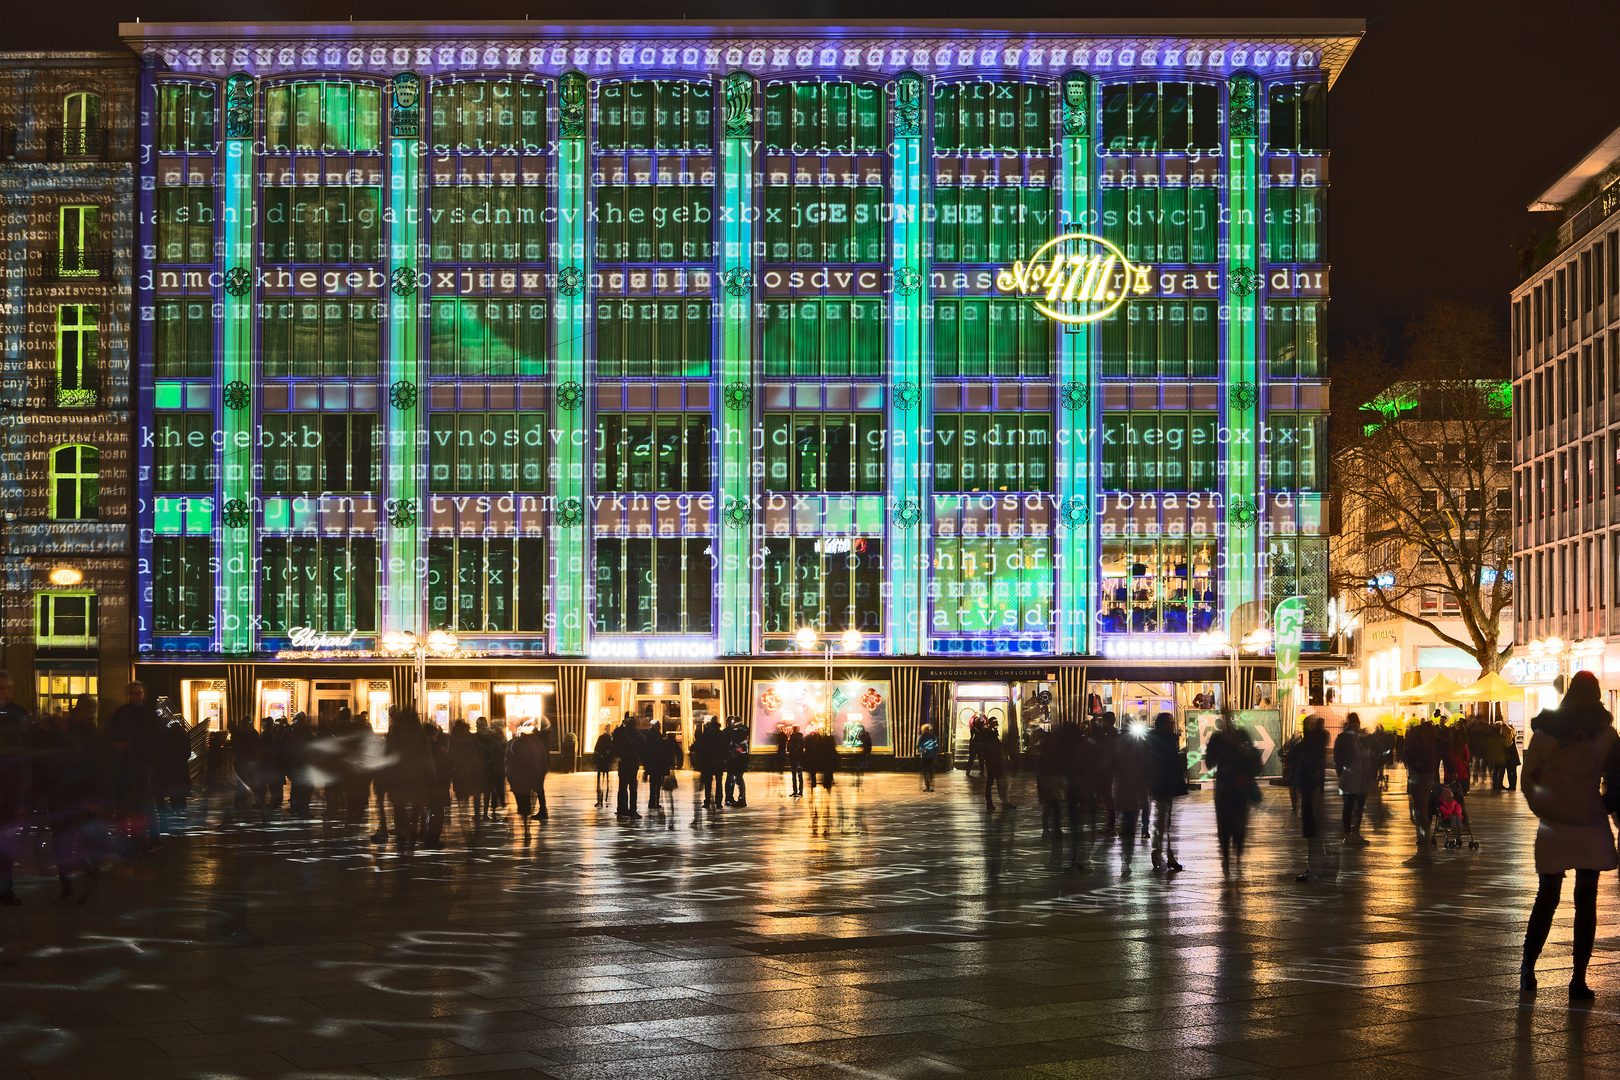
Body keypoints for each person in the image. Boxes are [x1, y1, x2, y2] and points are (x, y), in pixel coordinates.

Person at [1520, 671, 1620, 999]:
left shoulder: (1547, 729)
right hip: (1589, 826)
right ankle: (1578, 978)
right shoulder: (1607, 734)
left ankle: (1528, 968)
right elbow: (1617, 785)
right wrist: (1599, 807)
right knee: (1586, 902)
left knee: (1546, 897)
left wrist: (1544, 808)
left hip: (1553, 826)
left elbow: (1528, 775)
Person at [36, 696, 109, 904]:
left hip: (75, 797)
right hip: (66, 797)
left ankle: (77, 889)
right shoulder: (73, 731)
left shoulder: (86, 734)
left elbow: (98, 769)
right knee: (65, 845)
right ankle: (72, 889)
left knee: (72, 845)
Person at [104, 681, 162, 854]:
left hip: (140, 763)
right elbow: (110, 738)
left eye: (139, 693)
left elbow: (156, 739)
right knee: (131, 804)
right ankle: (136, 840)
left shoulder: (146, 714)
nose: (137, 696)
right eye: (134, 693)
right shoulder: (124, 714)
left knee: (142, 804)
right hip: (128, 763)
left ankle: (142, 839)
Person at [1204, 712, 1259, 878]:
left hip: (1228, 788)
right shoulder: (1231, 737)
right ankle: (1232, 857)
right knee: (1234, 824)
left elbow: (1209, 762)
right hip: (1233, 789)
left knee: (1228, 825)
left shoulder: (1220, 738)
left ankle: (1230, 858)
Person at [1147, 712, 1188, 873]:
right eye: (1168, 722)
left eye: (1172, 722)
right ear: (1161, 724)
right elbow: (1161, 764)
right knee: (1162, 822)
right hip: (1162, 785)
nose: (1172, 725)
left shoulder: (1170, 739)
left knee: (1164, 822)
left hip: (1167, 786)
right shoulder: (1160, 740)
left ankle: (1162, 854)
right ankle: (1161, 854)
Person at [1402, 715, 1442, 866]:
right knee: (1417, 815)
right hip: (1419, 778)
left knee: (1420, 814)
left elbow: (1418, 762)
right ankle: (1423, 848)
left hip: (1422, 778)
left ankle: (1424, 851)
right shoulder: (1423, 746)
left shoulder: (1427, 747)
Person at [1334, 712, 1372, 847]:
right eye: (1355, 723)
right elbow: (1354, 754)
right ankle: (1350, 833)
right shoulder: (1347, 737)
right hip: (1351, 776)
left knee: (1354, 805)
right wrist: (1367, 753)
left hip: (1356, 776)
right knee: (1351, 805)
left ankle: (1351, 832)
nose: (1357, 726)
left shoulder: (1355, 737)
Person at [506, 719, 550, 832]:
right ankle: (529, 824)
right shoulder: (537, 742)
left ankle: (526, 827)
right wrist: (542, 772)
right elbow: (543, 758)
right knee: (534, 796)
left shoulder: (517, 743)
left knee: (525, 803)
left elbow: (510, 760)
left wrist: (512, 776)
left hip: (522, 778)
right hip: (533, 774)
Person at [449, 718, 486, 827]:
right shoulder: (473, 737)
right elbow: (480, 752)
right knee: (476, 793)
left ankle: (463, 818)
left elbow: (451, 755)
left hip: (461, 769)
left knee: (462, 794)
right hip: (474, 768)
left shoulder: (455, 740)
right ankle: (477, 814)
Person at [975, 718, 1011, 811]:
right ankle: (990, 802)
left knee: (999, 782)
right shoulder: (988, 733)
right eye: (995, 723)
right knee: (992, 782)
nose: (997, 724)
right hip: (992, 761)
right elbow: (992, 743)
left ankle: (1003, 801)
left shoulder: (991, 733)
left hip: (996, 761)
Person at [612, 714, 642, 819]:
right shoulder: (636, 735)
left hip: (625, 762)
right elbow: (642, 749)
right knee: (632, 787)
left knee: (623, 786)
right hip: (630, 763)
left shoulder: (620, 734)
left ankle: (622, 809)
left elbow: (614, 746)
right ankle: (631, 810)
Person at [642, 723, 670, 815]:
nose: (660, 727)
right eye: (659, 725)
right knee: (656, 784)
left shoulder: (650, 736)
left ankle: (653, 802)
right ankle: (655, 802)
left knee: (653, 784)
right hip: (657, 764)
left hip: (652, 764)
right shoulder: (656, 736)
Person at [723, 716, 749, 807]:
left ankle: (737, 798)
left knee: (735, 778)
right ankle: (738, 798)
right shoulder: (741, 732)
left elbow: (737, 746)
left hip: (736, 759)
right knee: (736, 778)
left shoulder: (737, 732)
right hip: (738, 759)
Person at [592, 728, 614, 808]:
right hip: (606, 762)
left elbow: (596, 749)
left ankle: (600, 800)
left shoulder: (601, 739)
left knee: (599, 781)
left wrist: (597, 758)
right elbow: (612, 750)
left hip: (601, 762)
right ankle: (606, 800)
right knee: (607, 781)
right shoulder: (609, 740)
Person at [917, 724, 939, 793]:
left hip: (930, 756)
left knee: (930, 771)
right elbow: (918, 746)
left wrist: (935, 755)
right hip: (925, 756)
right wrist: (922, 750)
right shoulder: (922, 737)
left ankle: (930, 785)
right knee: (926, 771)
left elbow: (936, 747)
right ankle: (927, 785)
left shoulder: (932, 737)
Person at [787, 725, 805, 798]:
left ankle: (795, 791)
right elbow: (803, 746)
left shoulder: (792, 737)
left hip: (793, 758)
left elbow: (788, 747)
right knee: (800, 775)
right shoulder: (801, 738)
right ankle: (800, 791)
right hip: (799, 758)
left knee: (794, 775)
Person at [1503, 721, 1522, 792]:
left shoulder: (1503, 739)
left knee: (1509, 772)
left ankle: (1511, 785)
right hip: (1514, 757)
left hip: (1508, 758)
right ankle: (1514, 786)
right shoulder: (1512, 737)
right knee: (1514, 772)